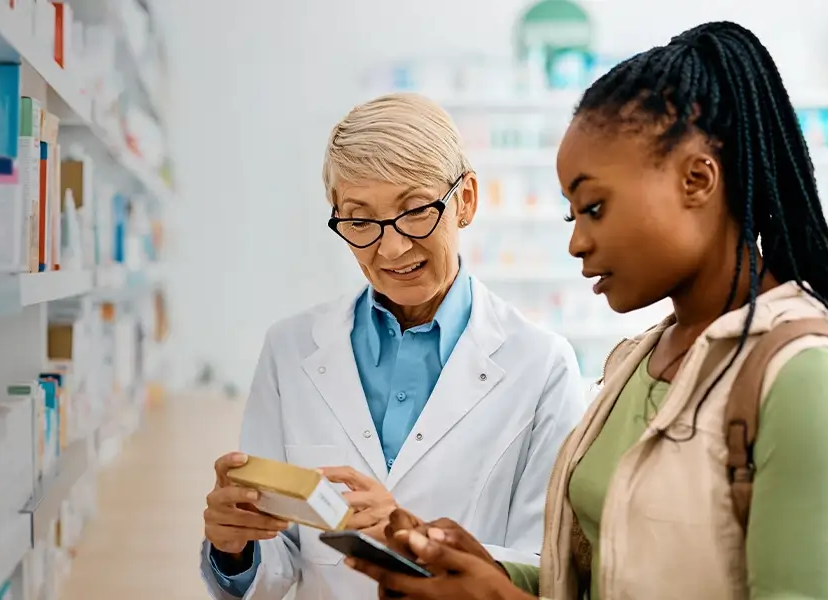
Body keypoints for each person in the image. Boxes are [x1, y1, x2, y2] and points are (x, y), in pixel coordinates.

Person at [345, 22, 828, 600]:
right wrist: (478, 571)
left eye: (595, 207)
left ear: (697, 179)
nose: (577, 242)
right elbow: (612, 577)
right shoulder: (638, 363)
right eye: (571, 216)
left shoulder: (808, 375)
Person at [198, 92, 589, 600]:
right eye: (360, 221)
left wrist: (411, 538)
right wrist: (235, 546)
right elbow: (280, 555)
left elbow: (545, 566)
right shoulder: (290, 349)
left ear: (465, 200)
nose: (392, 247)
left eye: (415, 210)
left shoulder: (541, 364)